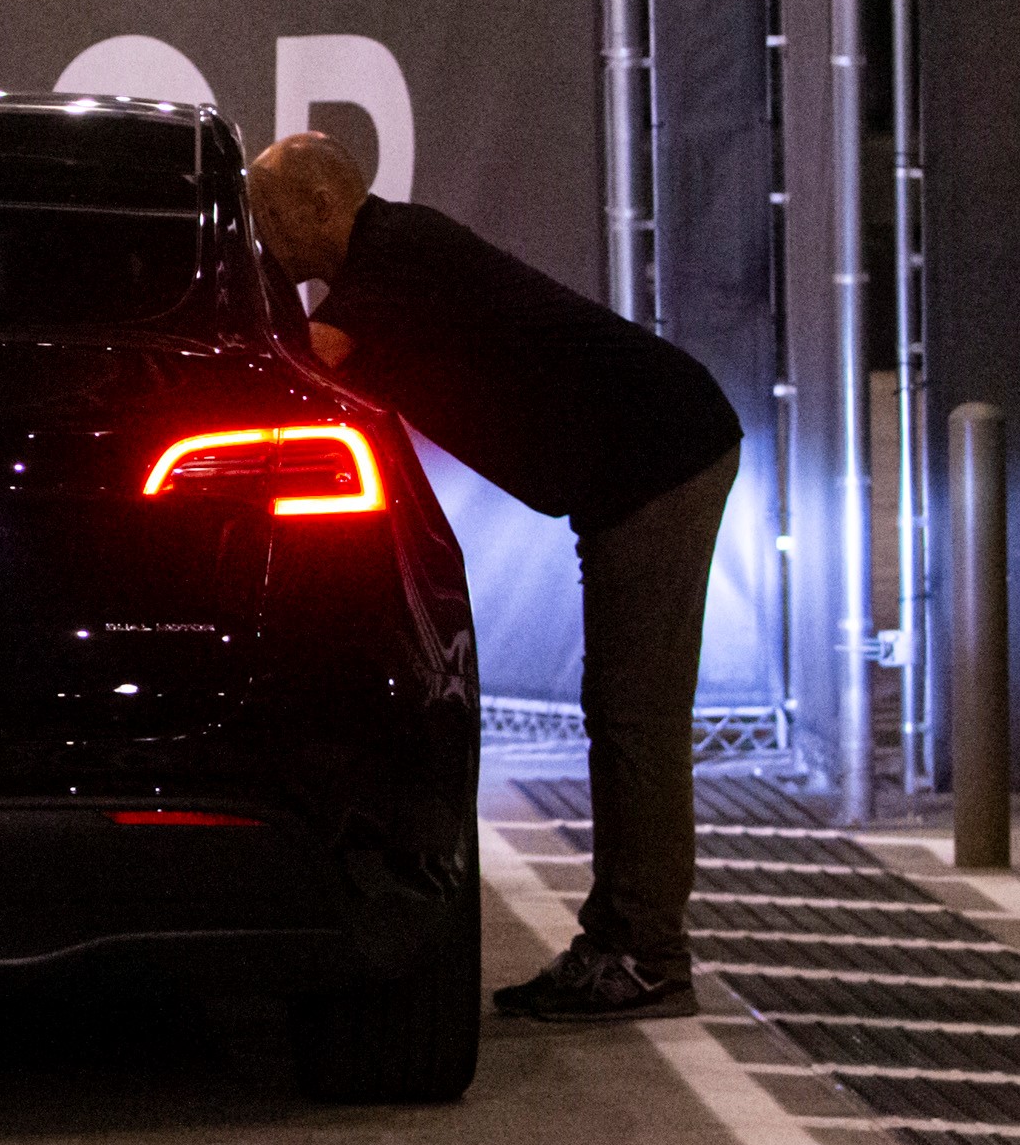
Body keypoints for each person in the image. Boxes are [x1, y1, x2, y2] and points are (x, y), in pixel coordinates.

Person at [245, 130, 742, 1022]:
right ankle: (625, 944)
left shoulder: (396, 255)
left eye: (268, 216)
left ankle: (647, 957)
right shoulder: (393, 257)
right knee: (622, 712)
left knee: (636, 718)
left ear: (322, 205)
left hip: (663, 458)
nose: (260, 236)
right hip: (633, 470)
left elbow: (299, 366)